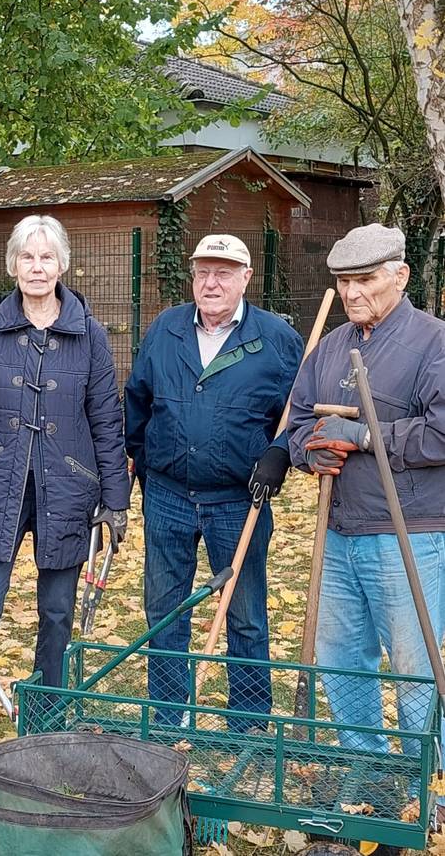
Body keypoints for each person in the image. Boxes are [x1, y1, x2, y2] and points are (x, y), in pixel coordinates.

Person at [0, 214, 130, 775]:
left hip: (69, 486)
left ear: (62, 264)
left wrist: (115, 501)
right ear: (13, 264)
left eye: (47, 258)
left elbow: (106, 421)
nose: (37, 268)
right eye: (27, 257)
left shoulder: (88, 332)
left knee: (58, 612)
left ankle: (47, 728)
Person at [123, 234, 303, 730]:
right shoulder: (166, 330)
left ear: (246, 277)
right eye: (203, 271)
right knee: (165, 609)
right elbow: (136, 402)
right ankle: (169, 715)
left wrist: (280, 453)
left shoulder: (276, 340)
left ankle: (247, 720)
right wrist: (146, 466)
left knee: (243, 611)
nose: (211, 282)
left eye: (224, 272)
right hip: (168, 497)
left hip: (239, 501)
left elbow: (297, 412)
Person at [288, 223, 445, 755]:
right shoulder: (331, 348)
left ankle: (432, 784)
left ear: (399, 275)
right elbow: (297, 424)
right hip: (337, 533)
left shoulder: (434, 341)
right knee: (341, 660)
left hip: (408, 535)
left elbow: (442, 432)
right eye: (343, 282)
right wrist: (308, 451)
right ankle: (368, 775)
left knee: (414, 666)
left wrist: (365, 436)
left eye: (365, 280)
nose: (352, 294)